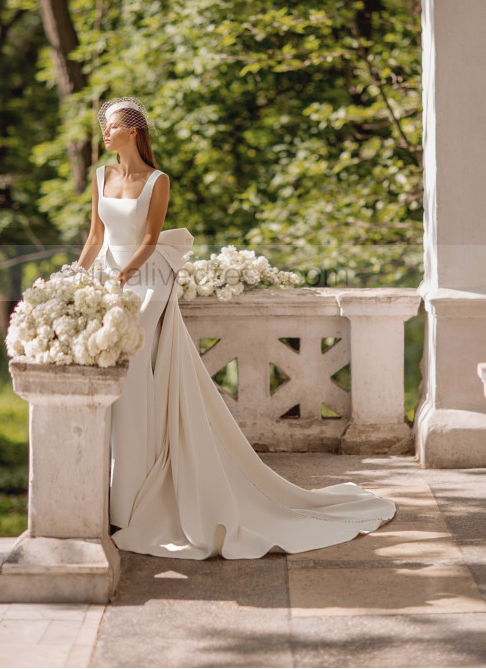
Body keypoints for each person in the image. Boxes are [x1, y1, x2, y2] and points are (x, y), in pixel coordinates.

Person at [76, 96, 396, 560]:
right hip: (106, 278)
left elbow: (148, 241)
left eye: (111, 126)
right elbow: (94, 237)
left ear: (132, 130)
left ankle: (133, 495)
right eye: (104, 127)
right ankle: (116, 492)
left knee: (131, 367)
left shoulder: (157, 182)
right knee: (109, 375)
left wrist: (122, 281)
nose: (104, 133)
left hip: (144, 283)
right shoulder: (100, 177)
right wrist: (74, 278)